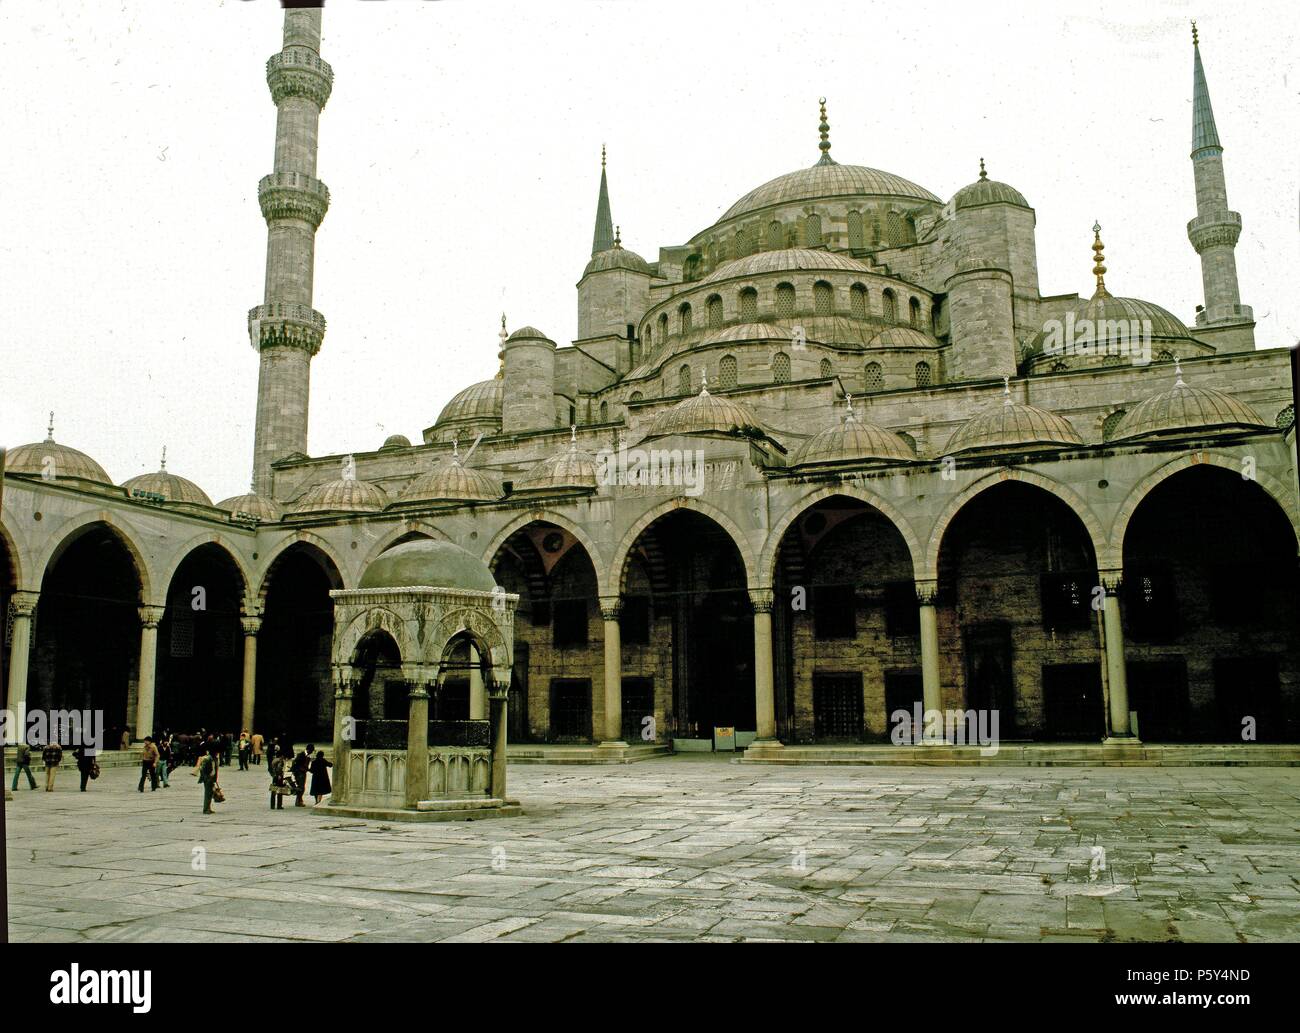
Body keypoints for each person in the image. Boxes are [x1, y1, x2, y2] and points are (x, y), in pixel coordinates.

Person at [196, 750, 218, 814]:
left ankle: (208, 808)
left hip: (212, 779)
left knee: (210, 794)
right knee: (207, 794)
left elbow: (214, 769)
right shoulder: (207, 759)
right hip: (208, 779)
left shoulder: (214, 759)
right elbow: (202, 769)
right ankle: (205, 809)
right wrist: (206, 778)